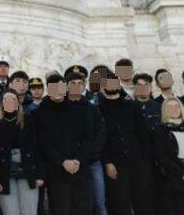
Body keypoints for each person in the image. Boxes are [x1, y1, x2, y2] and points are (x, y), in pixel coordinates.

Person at [33, 74, 94, 215]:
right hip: (56, 172)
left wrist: (77, 160)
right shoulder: (39, 113)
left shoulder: (80, 110)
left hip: (80, 169)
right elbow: (42, 143)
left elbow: (88, 139)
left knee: (83, 209)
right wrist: (63, 162)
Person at [99, 71, 154, 215]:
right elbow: (99, 138)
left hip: (138, 161)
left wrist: (145, 160)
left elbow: (144, 134)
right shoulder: (98, 109)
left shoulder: (132, 106)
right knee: (120, 205)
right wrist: (107, 161)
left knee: (144, 203)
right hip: (115, 165)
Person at [0, 91, 44, 215]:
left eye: (13, 99)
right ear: (1, 103)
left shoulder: (28, 119)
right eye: (6, 99)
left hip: (27, 169)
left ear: (18, 102)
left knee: (29, 211)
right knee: (10, 211)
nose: (10, 102)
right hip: (4, 172)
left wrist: (40, 175)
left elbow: (36, 147)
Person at [65, 67, 107, 215]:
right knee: (76, 204)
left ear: (83, 86)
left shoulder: (92, 108)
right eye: (72, 83)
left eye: (79, 83)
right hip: (71, 163)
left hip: (91, 161)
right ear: (67, 86)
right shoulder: (61, 108)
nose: (76, 86)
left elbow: (100, 134)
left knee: (99, 202)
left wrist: (89, 154)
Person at [153, 96, 184, 215]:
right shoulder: (160, 131)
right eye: (170, 107)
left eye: (176, 106)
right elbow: (162, 157)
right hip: (174, 177)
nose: (174, 109)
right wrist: (181, 173)